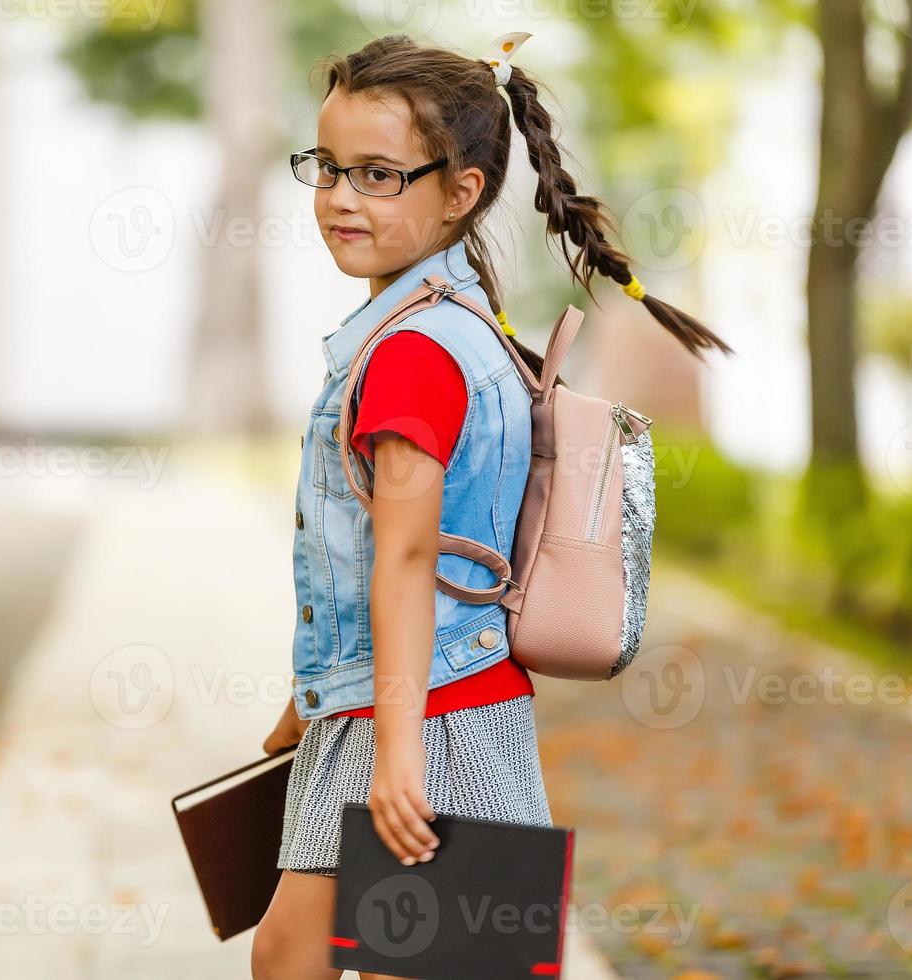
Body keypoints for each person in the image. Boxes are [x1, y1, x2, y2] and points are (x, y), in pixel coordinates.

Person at [251, 33, 729, 980]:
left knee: (420, 965)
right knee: (287, 955)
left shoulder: (416, 354)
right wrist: (307, 708)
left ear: (460, 191)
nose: (342, 198)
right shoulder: (458, 326)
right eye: (329, 168)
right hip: (381, 710)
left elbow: (410, 559)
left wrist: (397, 756)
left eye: (379, 175)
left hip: (432, 722)